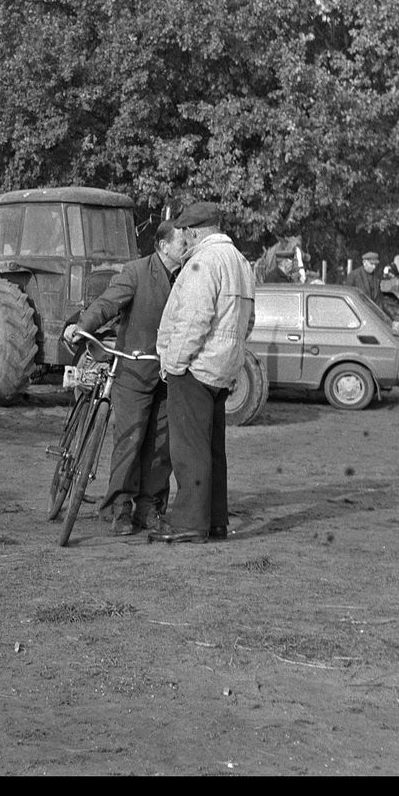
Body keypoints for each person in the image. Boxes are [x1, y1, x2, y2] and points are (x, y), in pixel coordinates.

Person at [62, 219, 187, 536]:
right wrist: (84, 326)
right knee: (129, 441)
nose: (186, 247)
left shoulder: (187, 277)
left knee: (161, 447)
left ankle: (151, 509)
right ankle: (119, 510)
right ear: (163, 246)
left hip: (170, 375)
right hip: (134, 371)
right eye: (182, 243)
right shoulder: (137, 272)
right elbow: (107, 304)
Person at [153, 202, 255, 544]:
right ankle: (215, 521)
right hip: (225, 366)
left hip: (196, 365)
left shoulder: (202, 261)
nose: (183, 237)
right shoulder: (240, 261)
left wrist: (174, 363)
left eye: (184, 231)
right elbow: (249, 319)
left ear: (194, 231)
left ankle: (188, 523)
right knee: (213, 449)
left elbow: (193, 319)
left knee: (189, 449)